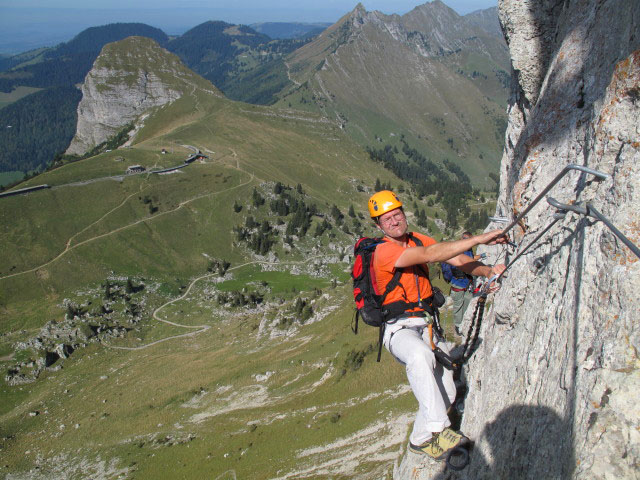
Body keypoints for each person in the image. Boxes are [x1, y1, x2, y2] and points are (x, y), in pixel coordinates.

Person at [368, 190, 506, 459]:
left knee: (448, 391)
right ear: (379, 226)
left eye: (397, 214)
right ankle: (440, 432)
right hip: (399, 329)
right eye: (387, 219)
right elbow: (431, 254)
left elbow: (460, 261)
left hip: (428, 325)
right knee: (420, 357)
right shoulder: (383, 251)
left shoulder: (419, 239)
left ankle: (420, 440)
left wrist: (489, 271)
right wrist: (482, 238)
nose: (395, 221)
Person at [441, 231, 480, 336]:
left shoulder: (468, 250)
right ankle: (458, 326)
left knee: (466, 303)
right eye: (465, 239)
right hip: (458, 283)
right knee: (458, 306)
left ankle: (464, 324)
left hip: (466, 282)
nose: (467, 241)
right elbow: (449, 267)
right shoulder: (457, 251)